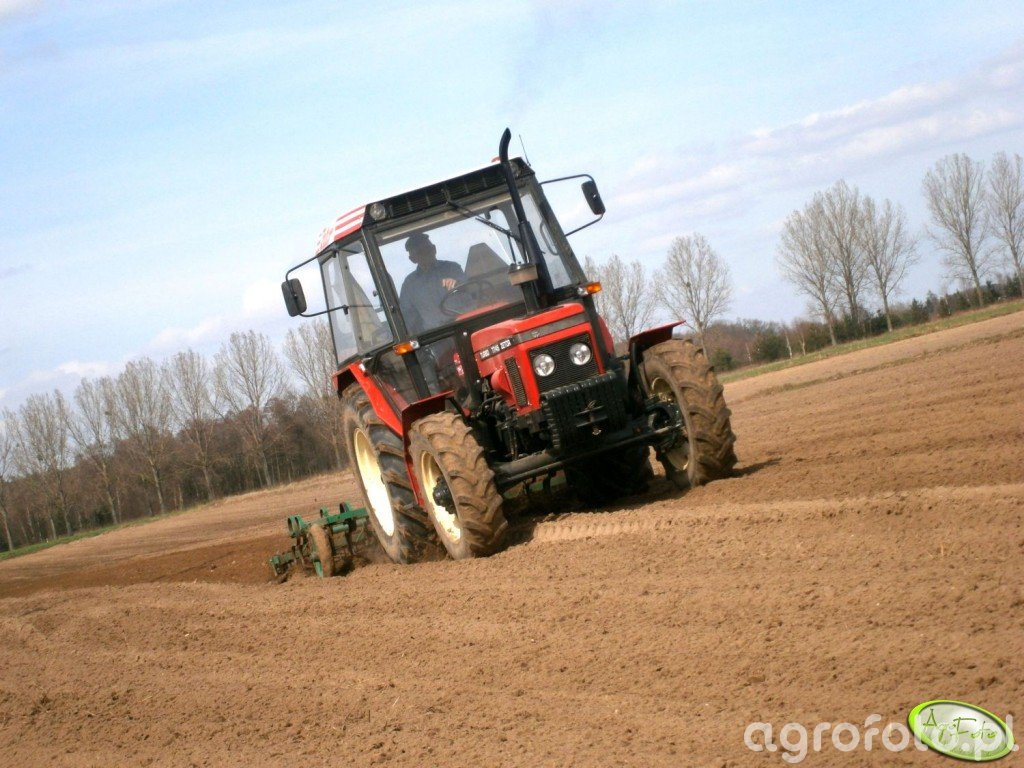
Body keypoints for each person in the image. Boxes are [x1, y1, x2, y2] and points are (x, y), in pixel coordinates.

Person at [398, 232, 467, 334]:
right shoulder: (409, 285)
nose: (427, 253)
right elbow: (406, 316)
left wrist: (457, 284)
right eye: (421, 252)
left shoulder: (452, 268)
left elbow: (470, 287)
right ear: (412, 259)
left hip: (465, 323)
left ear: (434, 249)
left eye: (428, 249)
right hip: (437, 336)